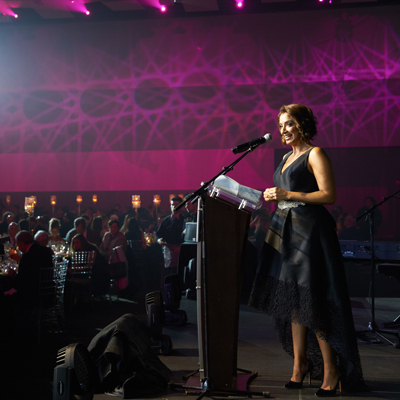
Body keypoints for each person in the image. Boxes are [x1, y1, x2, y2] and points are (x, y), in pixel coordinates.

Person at [249, 104, 366, 396]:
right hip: (286, 233)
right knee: (293, 301)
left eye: (289, 123)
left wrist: (286, 194)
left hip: (311, 234)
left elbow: (329, 194)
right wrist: (273, 197)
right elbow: (286, 195)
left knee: (314, 301)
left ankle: (331, 370)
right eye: (280, 125)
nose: (284, 130)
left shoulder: (315, 154)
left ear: (302, 124)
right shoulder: (286, 158)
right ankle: (299, 366)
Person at [156, 196, 185, 274]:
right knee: (169, 272)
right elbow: (158, 235)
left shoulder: (184, 220)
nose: (174, 207)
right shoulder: (166, 220)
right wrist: (159, 240)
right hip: (168, 250)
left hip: (179, 250)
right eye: (172, 205)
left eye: (176, 205)